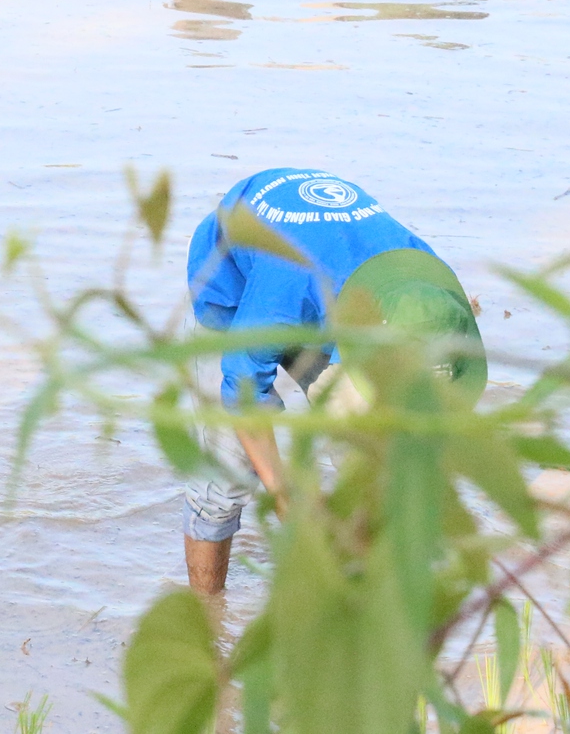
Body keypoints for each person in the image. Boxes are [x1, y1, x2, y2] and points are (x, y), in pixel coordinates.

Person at [181, 168, 484, 594]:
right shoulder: (281, 295)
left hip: (345, 294)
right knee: (224, 478)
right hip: (234, 281)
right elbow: (243, 398)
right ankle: (208, 621)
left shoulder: (431, 286)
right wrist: (284, 498)